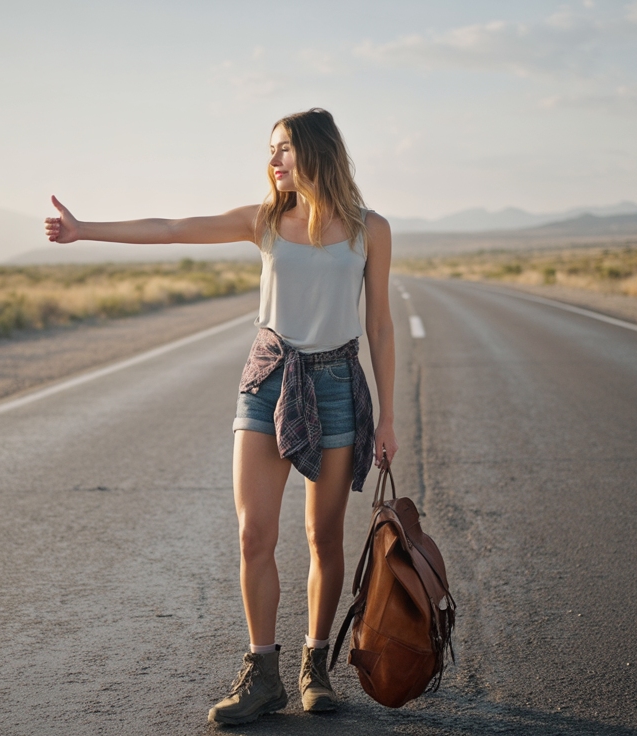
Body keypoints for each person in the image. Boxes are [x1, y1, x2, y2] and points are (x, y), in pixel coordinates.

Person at [43, 108, 396, 725]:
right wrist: (83, 230)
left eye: (284, 148)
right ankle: (263, 672)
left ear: (316, 151)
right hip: (268, 379)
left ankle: (316, 665)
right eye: (271, 150)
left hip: (338, 384)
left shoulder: (370, 229)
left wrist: (388, 417)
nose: (275, 159)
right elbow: (173, 228)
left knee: (323, 537)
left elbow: (380, 325)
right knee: (253, 534)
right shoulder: (263, 221)